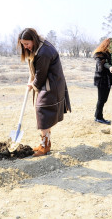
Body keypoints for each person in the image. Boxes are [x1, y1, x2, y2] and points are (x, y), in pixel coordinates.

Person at [17, 28, 71, 157]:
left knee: (42, 110)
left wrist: (33, 84)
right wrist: (32, 78)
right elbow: (37, 71)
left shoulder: (44, 51)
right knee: (43, 112)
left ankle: (45, 145)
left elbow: (41, 76)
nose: (25, 47)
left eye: (27, 44)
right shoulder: (37, 47)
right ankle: (45, 143)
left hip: (52, 84)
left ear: (33, 40)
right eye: (23, 44)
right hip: (48, 82)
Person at [93, 38, 112, 125]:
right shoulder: (100, 55)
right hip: (101, 80)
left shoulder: (111, 55)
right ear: (107, 45)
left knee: (104, 99)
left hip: (107, 80)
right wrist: (109, 66)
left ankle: (98, 116)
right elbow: (101, 65)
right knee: (101, 99)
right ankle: (98, 117)